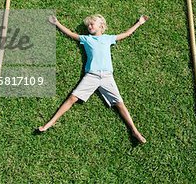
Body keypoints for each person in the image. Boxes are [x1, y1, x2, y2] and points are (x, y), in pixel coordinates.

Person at [37, 14, 149, 144]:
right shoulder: (86, 39)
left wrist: (139, 23)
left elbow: (126, 33)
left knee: (119, 103)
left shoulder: (108, 38)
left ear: (102, 26)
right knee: (72, 98)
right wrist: (57, 23)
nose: (89, 26)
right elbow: (71, 33)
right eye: (88, 25)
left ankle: (135, 131)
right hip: (91, 76)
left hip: (107, 76)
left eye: (92, 24)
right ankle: (50, 123)